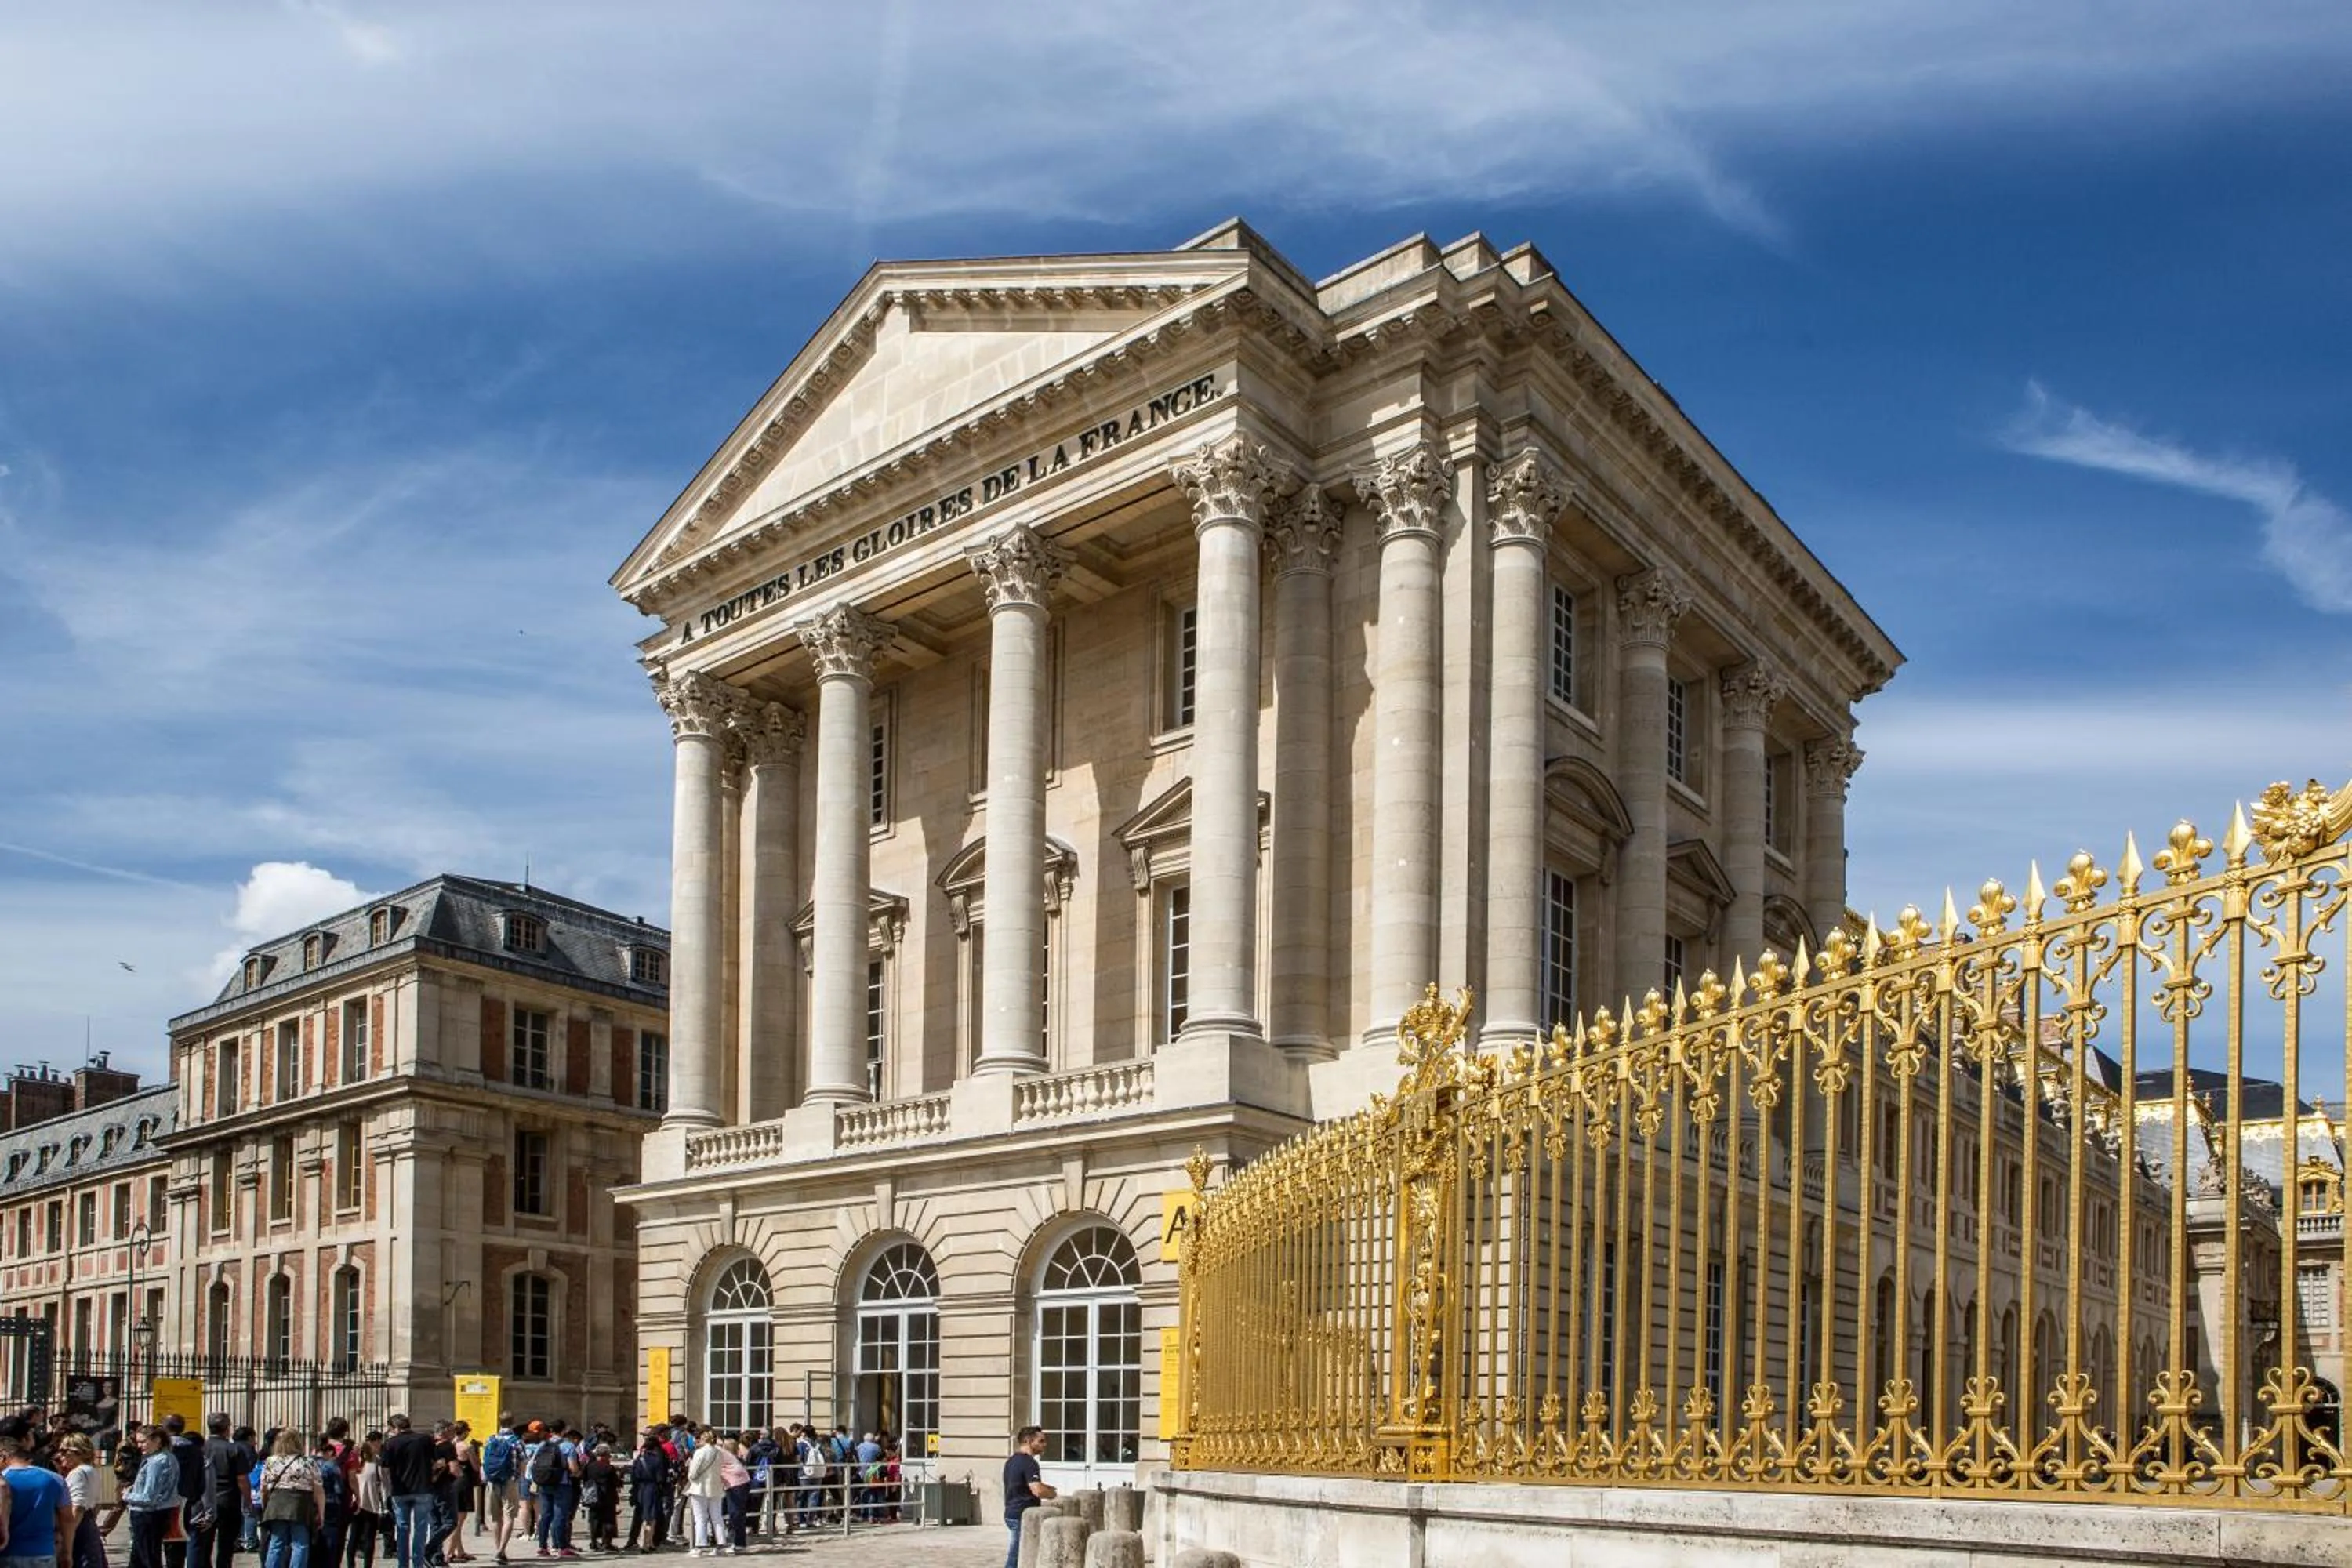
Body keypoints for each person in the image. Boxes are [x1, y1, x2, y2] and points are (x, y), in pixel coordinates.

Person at [5, 1432, 74, 1568]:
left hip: (8, 1553)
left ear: (3, 1456)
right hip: (43, 1553)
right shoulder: (55, 1479)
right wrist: (67, 1553)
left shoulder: (3, 1480)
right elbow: (67, 1519)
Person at [376, 1417, 434, 1568]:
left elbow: (384, 1470)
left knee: (402, 1529)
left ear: (395, 1428)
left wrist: (387, 1489)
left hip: (400, 1490)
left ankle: (403, 1564)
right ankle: (418, 1564)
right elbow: (436, 1462)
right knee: (421, 1529)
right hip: (422, 1489)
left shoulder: (390, 1444)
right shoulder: (425, 1439)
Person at [256, 1430, 320, 1568]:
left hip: (277, 1503)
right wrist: (321, 1511)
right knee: (300, 1544)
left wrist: (265, 1505)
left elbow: (263, 1487)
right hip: (300, 1503)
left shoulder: (270, 1461)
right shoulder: (308, 1462)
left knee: (276, 1542)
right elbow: (318, 1490)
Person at [123, 1428, 182, 1568]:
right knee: (138, 1559)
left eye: (143, 1442)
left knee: (148, 1559)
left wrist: (127, 1495)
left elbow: (149, 1497)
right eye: (138, 1442)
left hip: (148, 1515)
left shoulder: (157, 1462)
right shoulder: (166, 1457)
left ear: (157, 1440)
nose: (139, 1446)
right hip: (156, 1513)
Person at [200, 1418, 252, 1568]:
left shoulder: (201, 1448)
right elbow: (242, 1479)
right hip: (229, 1500)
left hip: (205, 1500)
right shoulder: (234, 1449)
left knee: (204, 1544)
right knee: (226, 1545)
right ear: (227, 1428)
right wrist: (248, 1500)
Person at [161, 1418, 211, 1568]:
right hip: (186, 1502)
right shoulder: (195, 1450)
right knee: (179, 1542)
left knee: (162, 1546)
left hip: (163, 1502)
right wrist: (194, 1497)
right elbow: (201, 1480)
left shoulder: (162, 1449)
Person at [1000, 1427, 1052, 1568]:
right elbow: (1037, 1490)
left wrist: (1045, 1487)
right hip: (1021, 1515)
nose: (1045, 1444)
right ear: (1028, 1441)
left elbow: (1022, 1485)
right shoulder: (1029, 1463)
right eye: (1041, 1441)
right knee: (1016, 1556)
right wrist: (1052, 1494)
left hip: (1011, 1512)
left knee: (1020, 1554)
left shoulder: (1011, 1461)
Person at [57, 1432, 109, 1568]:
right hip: (89, 1523)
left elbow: (77, 1508)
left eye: (64, 1451)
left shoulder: (78, 1473)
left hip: (78, 1527)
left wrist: (67, 1542)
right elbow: (96, 1504)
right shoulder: (91, 1470)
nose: (60, 1455)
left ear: (78, 1452)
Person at [473, 1425, 517, 1568]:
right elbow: (523, 1463)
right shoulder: (516, 1441)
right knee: (509, 1517)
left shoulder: (490, 1440)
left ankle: (498, 1550)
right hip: (509, 1481)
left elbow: (485, 1461)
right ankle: (501, 1551)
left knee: (496, 1518)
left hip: (492, 1481)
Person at [680, 1435, 723, 1559]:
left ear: (704, 1440)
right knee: (717, 1517)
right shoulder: (719, 1452)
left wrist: (691, 1477)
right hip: (715, 1486)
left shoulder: (700, 1452)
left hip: (700, 1487)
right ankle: (721, 1544)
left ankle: (700, 1546)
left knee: (700, 1518)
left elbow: (693, 1473)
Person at [347, 1442, 386, 1568]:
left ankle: (350, 1565)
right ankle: (367, 1566)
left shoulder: (353, 1466)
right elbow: (384, 1483)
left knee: (353, 1537)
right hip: (371, 1504)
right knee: (370, 1538)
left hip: (355, 1504)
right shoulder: (375, 1464)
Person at [310, 1436, 347, 1568]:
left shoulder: (309, 1463)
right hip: (330, 1504)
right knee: (330, 1540)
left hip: (312, 1505)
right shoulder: (331, 1466)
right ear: (330, 1452)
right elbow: (339, 1489)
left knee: (313, 1538)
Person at [442, 1426, 473, 1566]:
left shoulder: (449, 1445)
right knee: (459, 1520)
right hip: (463, 1482)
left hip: (450, 1484)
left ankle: (459, 1551)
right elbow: (476, 1466)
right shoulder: (466, 1446)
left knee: (457, 1519)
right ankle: (449, 1553)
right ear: (464, 1432)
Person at [713, 1439, 749, 1555]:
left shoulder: (718, 1452)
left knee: (736, 1514)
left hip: (737, 1483)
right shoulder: (721, 1452)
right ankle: (736, 1542)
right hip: (735, 1483)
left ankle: (739, 1544)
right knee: (734, 1514)